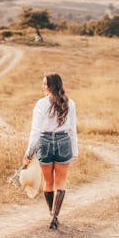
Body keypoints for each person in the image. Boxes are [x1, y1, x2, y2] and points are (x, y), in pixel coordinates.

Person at [24, 73, 78, 230]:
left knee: (48, 182)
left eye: (45, 84)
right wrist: (74, 150)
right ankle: (55, 216)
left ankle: (51, 214)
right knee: (61, 182)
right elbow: (72, 129)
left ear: (50, 86)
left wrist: (28, 153)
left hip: (45, 142)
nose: (43, 87)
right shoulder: (70, 103)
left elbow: (35, 131)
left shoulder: (41, 104)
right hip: (63, 142)